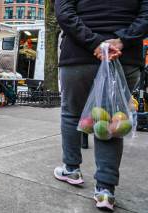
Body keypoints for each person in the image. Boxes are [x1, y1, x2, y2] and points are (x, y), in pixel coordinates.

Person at [54, 0, 148, 211]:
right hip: (125, 57)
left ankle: (71, 168)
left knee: (71, 113)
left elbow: (64, 13)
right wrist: (122, 41)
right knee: (111, 120)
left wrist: (94, 43)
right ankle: (105, 190)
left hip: (79, 55)